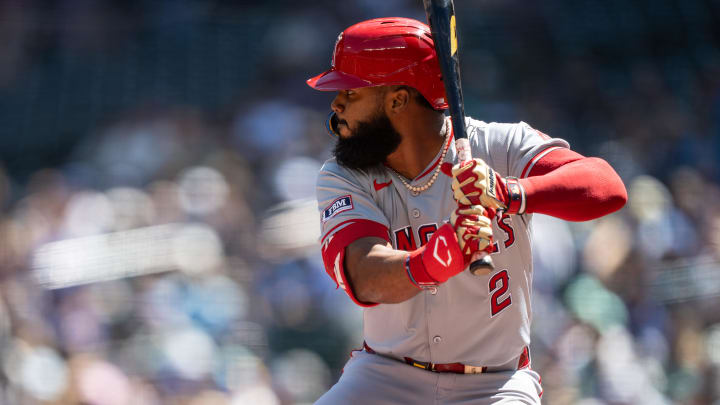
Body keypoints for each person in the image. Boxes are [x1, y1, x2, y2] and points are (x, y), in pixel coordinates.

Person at [307, 17, 627, 405]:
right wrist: (443, 255)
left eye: (350, 92)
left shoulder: (498, 146)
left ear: (397, 100)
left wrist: (509, 191)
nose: (335, 103)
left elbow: (606, 187)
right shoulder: (344, 175)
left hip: (495, 385)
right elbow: (365, 275)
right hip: (384, 377)